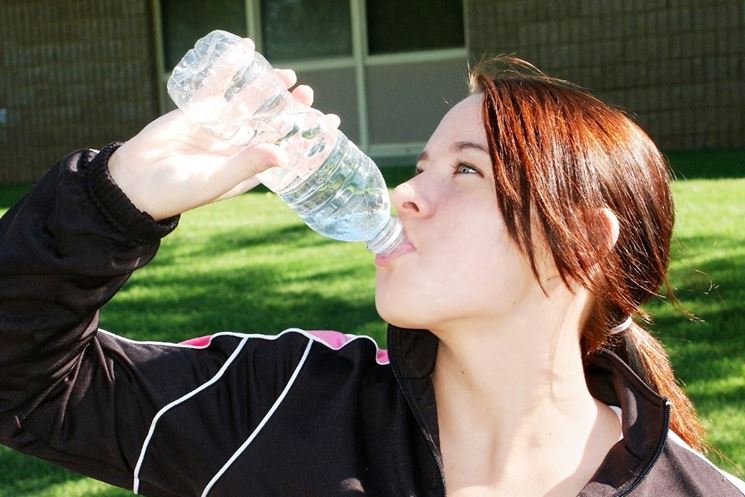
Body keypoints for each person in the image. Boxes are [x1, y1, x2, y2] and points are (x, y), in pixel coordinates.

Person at [0, 57, 743, 497]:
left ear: (577, 241)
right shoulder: (286, 403)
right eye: (420, 167)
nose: (405, 195)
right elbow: (27, 385)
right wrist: (117, 193)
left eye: (464, 170)